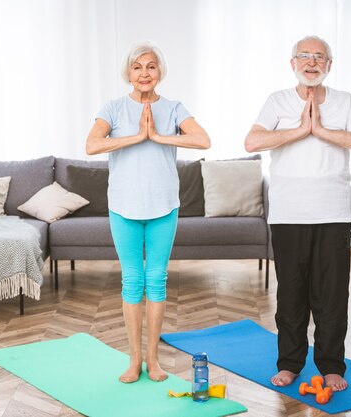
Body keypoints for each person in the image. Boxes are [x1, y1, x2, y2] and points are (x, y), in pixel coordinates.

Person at [245, 35, 351, 391]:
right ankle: (290, 363)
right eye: (304, 56)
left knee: (332, 294)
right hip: (289, 212)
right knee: (291, 294)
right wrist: (299, 130)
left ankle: (332, 365)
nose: (311, 62)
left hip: (333, 212)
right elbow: (252, 141)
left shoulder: (345, 102)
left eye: (319, 57)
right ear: (293, 64)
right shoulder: (277, 101)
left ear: (329, 66)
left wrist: (321, 130)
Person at [86, 41, 210, 383]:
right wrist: (136, 136)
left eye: (151, 66)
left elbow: (203, 140)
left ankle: (154, 361)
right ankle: (134, 360)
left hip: (163, 206)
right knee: (132, 281)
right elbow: (92, 145)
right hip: (123, 207)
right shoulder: (112, 108)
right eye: (138, 67)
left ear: (160, 72)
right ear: (129, 72)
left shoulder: (173, 108)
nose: (144, 73)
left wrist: (157, 135)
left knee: (156, 281)